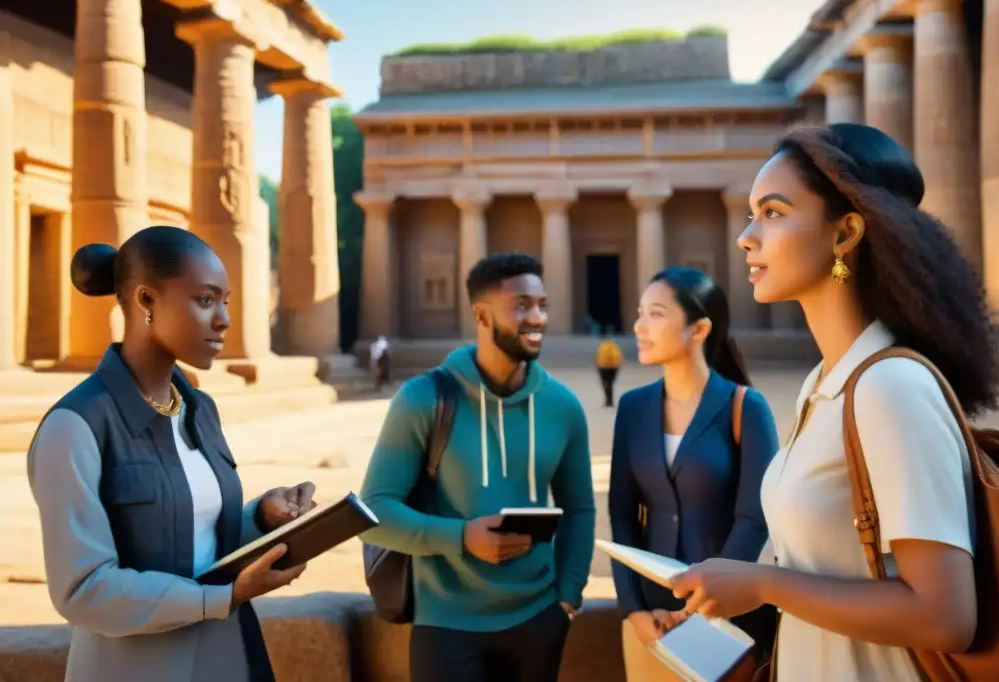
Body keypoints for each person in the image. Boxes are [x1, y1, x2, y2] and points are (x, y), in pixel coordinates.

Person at [667, 124, 992, 681]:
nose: (747, 236)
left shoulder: (891, 387)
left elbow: (946, 616)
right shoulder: (826, 380)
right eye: (752, 214)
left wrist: (764, 584)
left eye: (772, 213)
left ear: (844, 235)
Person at [27, 227, 318, 682]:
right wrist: (219, 598)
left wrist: (261, 518)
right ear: (146, 301)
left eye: (226, 302)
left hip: (230, 659)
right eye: (205, 301)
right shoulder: (75, 427)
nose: (223, 319)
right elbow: (83, 589)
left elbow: (196, 539)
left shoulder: (200, 410)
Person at [359, 252, 596, 682]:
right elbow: (372, 514)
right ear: (482, 315)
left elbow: (580, 509)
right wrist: (463, 536)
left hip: (540, 618)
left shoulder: (563, 407)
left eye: (542, 304)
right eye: (521, 305)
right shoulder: (423, 399)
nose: (537, 317)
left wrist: (568, 596)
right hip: (446, 623)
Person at [609, 267, 779, 680]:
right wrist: (634, 610)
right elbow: (622, 515)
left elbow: (754, 519)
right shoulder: (633, 408)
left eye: (656, 314)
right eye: (639, 313)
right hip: (652, 623)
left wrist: (702, 604)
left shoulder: (746, 406)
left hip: (725, 620)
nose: (639, 325)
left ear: (699, 328)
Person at [595, 333, 623, 407]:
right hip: (613, 367)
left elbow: (598, 357)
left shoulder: (602, 346)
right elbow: (618, 357)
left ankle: (608, 400)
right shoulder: (614, 346)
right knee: (610, 384)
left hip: (603, 367)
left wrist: (598, 365)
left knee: (605, 384)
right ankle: (610, 400)